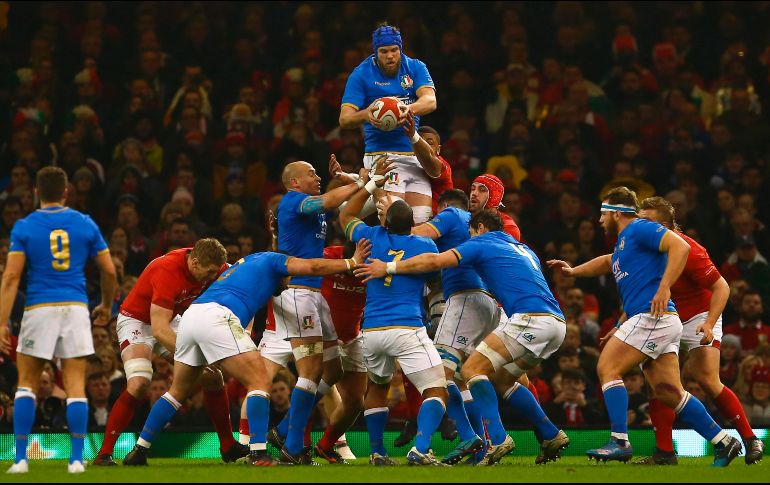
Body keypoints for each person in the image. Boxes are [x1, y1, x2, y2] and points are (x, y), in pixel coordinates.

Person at [121, 239, 371, 467]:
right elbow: (313, 267)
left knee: (177, 391)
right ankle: (258, 453)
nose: (287, 285)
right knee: (260, 381)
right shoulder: (276, 261)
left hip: (191, 317)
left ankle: (140, 450)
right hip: (218, 316)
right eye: (288, 279)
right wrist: (351, 262)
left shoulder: (249, 261)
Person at [355, 209, 570, 466]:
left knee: (468, 371)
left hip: (528, 318)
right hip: (556, 323)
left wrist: (389, 266)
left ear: (480, 227)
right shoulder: (524, 249)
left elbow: (435, 261)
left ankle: (495, 439)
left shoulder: (481, 242)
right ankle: (550, 434)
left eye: (470, 232)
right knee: (503, 380)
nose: (468, 236)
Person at [546, 187, 742, 466]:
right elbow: (608, 261)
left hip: (652, 317)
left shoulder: (639, 227)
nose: (599, 220)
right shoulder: (626, 242)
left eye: (603, 214)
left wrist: (664, 287)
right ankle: (724, 441)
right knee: (668, 391)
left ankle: (619, 441)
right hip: (659, 320)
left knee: (607, 367)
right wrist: (573, 271)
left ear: (616, 213)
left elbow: (681, 246)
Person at [1, 166, 118, 474]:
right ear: (66, 192)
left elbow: (11, 277)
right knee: (76, 384)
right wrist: (106, 305)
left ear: (36, 192)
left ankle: (20, 460)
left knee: (26, 383)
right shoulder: (85, 223)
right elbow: (109, 271)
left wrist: (1, 323)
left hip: (39, 307)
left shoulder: (25, 226)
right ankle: (76, 460)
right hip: (75, 309)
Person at [635, 196, 764, 465]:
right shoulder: (643, 249)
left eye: (647, 222)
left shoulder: (690, 250)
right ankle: (664, 453)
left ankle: (751, 439)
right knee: (658, 384)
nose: (640, 226)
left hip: (699, 315)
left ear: (665, 226)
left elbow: (722, 287)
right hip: (666, 316)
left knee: (706, 379)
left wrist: (709, 323)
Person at [93, 239, 244, 466]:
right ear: (194, 263)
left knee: (212, 376)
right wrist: (190, 356)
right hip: (137, 321)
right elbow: (159, 330)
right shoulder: (167, 271)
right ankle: (104, 454)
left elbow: (238, 279)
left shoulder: (212, 263)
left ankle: (228, 446)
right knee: (139, 382)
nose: (213, 277)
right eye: (210, 272)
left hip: (169, 318)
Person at [339, 165, 450, 466]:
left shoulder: (370, 236)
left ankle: (377, 452)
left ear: (385, 222)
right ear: (413, 223)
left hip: (372, 331)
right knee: (437, 389)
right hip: (406, 328)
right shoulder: (424, 244)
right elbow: (436, 279)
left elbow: (346, 216)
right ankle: (421, 448)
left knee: (378, 386)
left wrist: (368, 184)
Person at [271, 157, 375, 464]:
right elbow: (328, 200)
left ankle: (283, 429)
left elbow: (346, 206)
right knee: (312, 371)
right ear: (294, 183)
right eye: (311, 173)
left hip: (315, 295)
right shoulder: (294, 201)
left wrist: (361, 181)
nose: (317, 177)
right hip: (298, 292)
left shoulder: (313, 210)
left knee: (334, 371)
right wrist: (360, 181)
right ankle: (292, 446)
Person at [408, 189, 497, 464]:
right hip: (488, 302)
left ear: (444, 206)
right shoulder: (474, 228)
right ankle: (484, 446)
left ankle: (432, 445)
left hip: (463, 299)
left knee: (439, 375)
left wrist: (390, 228)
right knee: (462, 377)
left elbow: (418, 234)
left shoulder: (451, 214)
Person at [339, 23, 438, 224]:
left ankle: (356, 203)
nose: (390, 56)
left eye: (394, 50)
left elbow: (430, 101)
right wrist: (366, 114)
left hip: (415, 157)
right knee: (394, 222)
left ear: (400, 49)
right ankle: (356, 205)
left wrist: (407, 109)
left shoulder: (415, 67)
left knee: (420, 221)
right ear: (375, 52)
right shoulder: (361, 74)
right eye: (384, 51)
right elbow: (345, 118)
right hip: (382, 157)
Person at [469, 174, 520, 241]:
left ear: (494, 196)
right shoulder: (462, 219)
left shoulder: (508, 228)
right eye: (473, 189)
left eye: (482, 190)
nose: (474, 193)